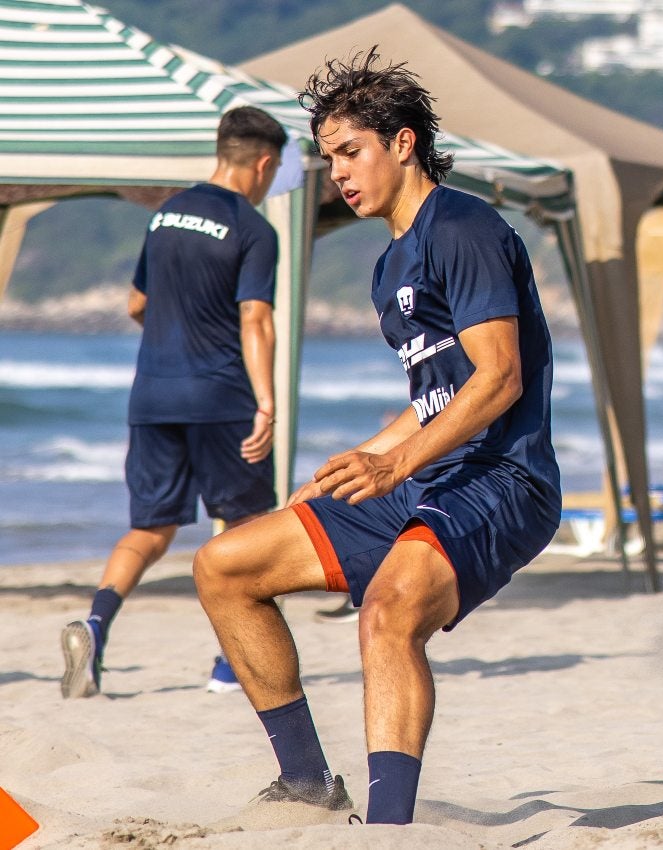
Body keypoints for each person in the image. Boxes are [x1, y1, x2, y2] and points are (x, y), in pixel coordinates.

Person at [192, 47, 561, 824]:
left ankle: (389, 830)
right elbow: (435, 394)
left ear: (403, 143)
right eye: (328, 159)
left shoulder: (462, 227)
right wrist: (367, 457)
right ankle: (305, 782)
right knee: (226, 566)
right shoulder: (390, 260)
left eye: (351, 152)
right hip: (430, 475)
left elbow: (498, 379)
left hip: (503, 481)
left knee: (388, 613)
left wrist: (395, 469)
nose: (340, 174)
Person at [60, 105, 286, 699]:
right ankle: (229, 663)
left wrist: (174, 327)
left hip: (153, 394)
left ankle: (95, 625)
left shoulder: (165, 216)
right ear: (263, 164)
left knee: (150, 529)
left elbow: (137, 304)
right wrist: (265, 402)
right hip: (221, 397)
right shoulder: (254, 229)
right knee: (247, 527)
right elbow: (256, 320)